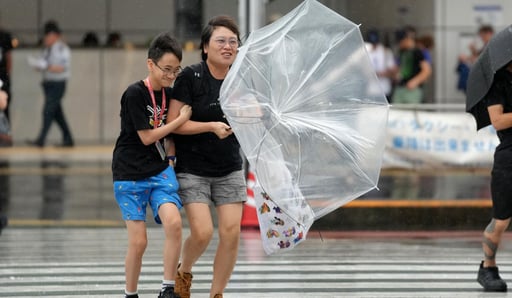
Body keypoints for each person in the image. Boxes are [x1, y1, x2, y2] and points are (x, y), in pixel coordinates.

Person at [168, 15, 246, 298]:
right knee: (202, 233)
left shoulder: (242, 79)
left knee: (231, 234)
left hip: (229, 168)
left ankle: (217, 294)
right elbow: (173, 123)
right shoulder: (191, 77)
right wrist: (210, 127)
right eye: (221, 41)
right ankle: (184, 270)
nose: (228, 47)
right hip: (193, 169)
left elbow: (252, 116)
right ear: (205, 47)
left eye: (233, 42)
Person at [112, 32, 191, 298]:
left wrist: (170, 156)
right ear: (150, 64)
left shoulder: (171, 95)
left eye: (175, 70)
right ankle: (130, 294)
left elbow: (169, 138)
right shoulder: (134, 93)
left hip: (158, 171)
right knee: (139, 242)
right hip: (129, 173)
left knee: (174, 223)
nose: (171, 75)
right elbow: (146, 137)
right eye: (166, 69)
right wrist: (179, 121)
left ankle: (167, 288)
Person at [477, 60, 512, 292]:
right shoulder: (497, 83)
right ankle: (488, 268)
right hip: (509, 157)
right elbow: (497, 120)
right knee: (501, 220)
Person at [27, 20, 74, 147]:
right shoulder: (47, 49)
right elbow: (43, 64)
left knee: (48, 111)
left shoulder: (61, 48)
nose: (46, 38)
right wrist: (38, 65)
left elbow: (62, 68)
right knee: (57, 114)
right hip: (48, 84)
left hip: (58, 84)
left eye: (48, 35)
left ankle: (41, 139)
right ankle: (68, 139)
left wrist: (46, 66)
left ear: (54, 35)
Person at [391, 28, 432, 104]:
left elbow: (427, 70)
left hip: (412, 89)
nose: (400, 44)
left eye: (401, 41)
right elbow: (400, 68)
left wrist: (415, 81)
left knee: (410, 113)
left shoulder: (418, 51)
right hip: (400, 86)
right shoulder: (402, 52)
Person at [457, 25, 494, 93]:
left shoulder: (493, 45)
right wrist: (472, 52)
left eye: (483, 36)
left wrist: (468, 58)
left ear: (489, 33)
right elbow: (479, 56)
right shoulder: (486, 45)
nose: (482, 38)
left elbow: (483, 60)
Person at [364, 29, 396, 99]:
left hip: (384, 89)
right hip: (370, 90)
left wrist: (380, 74)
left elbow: (393, 71)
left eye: (375, 43)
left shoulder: (386, 51)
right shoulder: (365, 51)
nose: (373, 45)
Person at [0, 15, 13, 121]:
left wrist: (6, 76)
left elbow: (9, 58)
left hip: (2, 77)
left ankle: (5, 135)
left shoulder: (4, 36)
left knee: (4, 107)